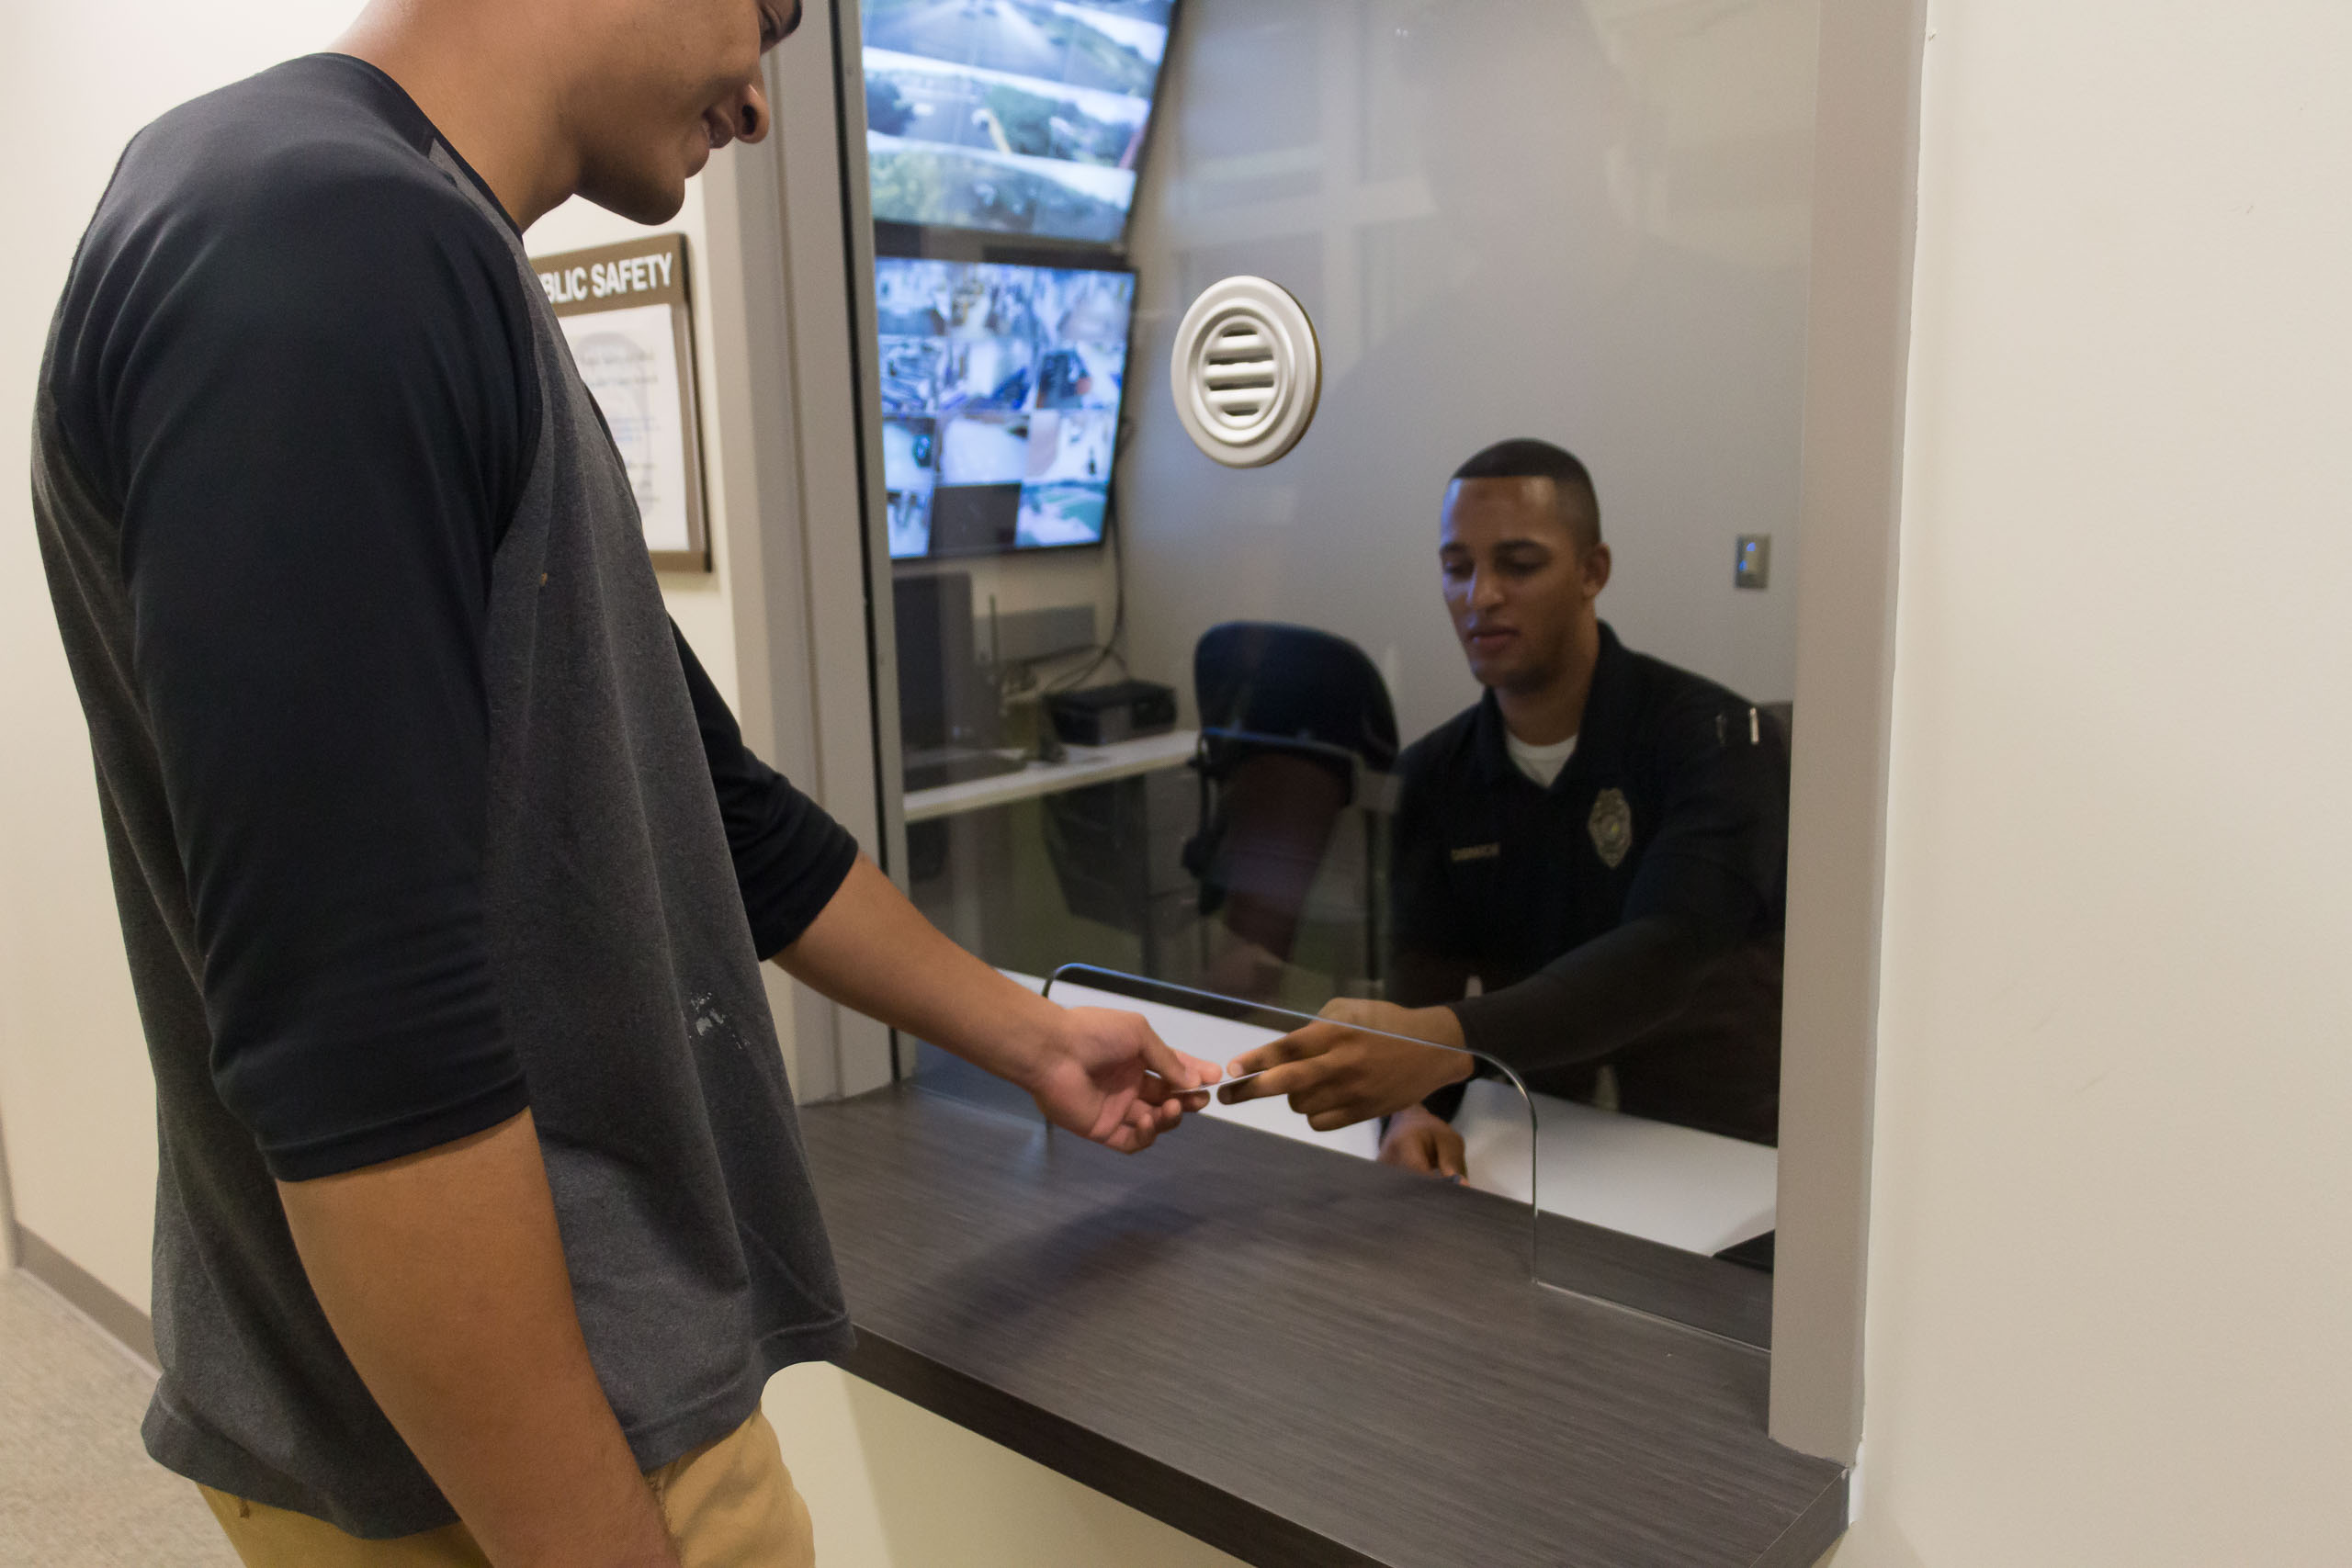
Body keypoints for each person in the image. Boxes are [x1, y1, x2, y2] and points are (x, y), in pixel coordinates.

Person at [30, 4, 1219, 1565]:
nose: (767, 97)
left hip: (498, 1425)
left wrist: (1032, 1034)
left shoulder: (394, 241)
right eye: (770, 15)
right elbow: (360, 1044)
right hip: (524, 1454)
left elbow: (709, 807)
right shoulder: (320, 244)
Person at [1216, 439, 1786, 1171]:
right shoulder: (1435, 773)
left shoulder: (1717, 740)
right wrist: (1410, 1112)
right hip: (1540, 1144)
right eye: (1458, 568)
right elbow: (1422, 982)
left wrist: (1433, 1044)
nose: (1481, 595)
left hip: (1721, 1155)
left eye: (1519, 565)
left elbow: (1666, 952)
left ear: (1592, 571)